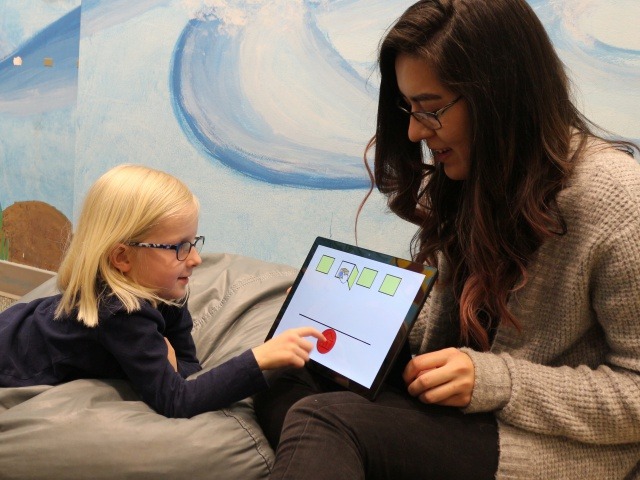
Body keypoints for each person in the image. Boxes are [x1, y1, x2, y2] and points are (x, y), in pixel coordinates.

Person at [254, 0, 640, 478]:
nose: (416, 131)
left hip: (541, 443)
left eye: (431, 109)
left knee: (323, 420)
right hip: (458, 416)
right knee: (283, 373)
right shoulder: (470, 177)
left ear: (501, 97)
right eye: (409, 108)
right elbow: (449, 339)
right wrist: (352, 319)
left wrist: (497, 381)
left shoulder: (616, 197)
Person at [0, 164, 324, 418]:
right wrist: (257, 359)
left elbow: (190, 370)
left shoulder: (165, 294)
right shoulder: (120, 312)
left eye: (194, 243)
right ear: (123, 257)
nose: (195, 259)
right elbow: (176, 401)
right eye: (179, 247)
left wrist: (173, 364)